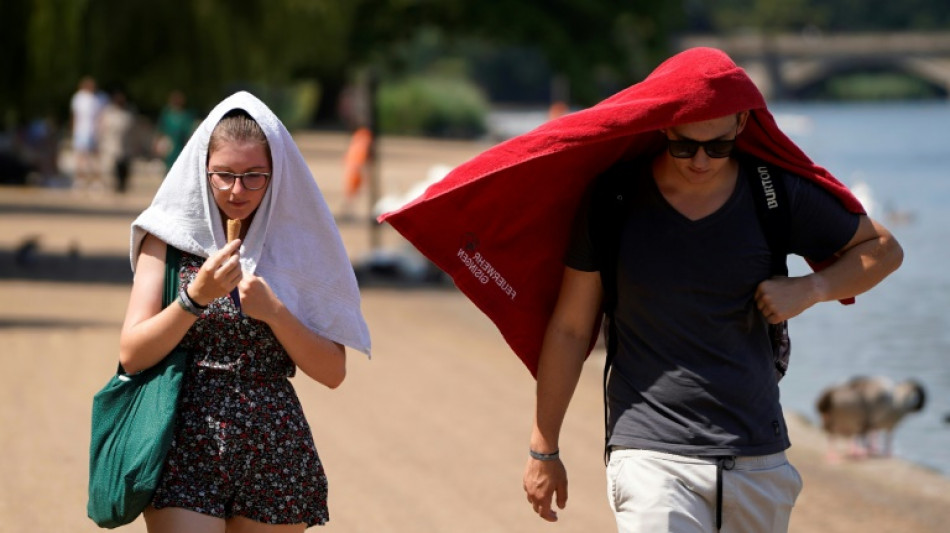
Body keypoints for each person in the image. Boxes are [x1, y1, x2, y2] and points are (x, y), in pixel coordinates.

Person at [521, 50, 904, 531]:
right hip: (650, 455)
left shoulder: (774, 194)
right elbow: (571, 329)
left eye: (718, 146)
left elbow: (885, 250)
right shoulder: (614, 199)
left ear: (742, 123)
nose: (701, 160)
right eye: (685, 146)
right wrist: (543, 449)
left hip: (758, 457)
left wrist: (813, 287)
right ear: (664, 125)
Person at [121, 91, 371, 531]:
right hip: (182, 437)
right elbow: (132, 354)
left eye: (254, 176)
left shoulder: (296, 247)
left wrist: (275, 312)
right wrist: (195, 297)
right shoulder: (168, 238)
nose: (237, 190)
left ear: (277, 175)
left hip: (275, 444)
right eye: (224, 175)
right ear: (202, 169)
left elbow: (333, 372)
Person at [70, 76, 104, 190]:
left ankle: (96, 180)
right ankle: (80, 179)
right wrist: (74, 130)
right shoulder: (78, 98)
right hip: (81, 131)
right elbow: (75, 116)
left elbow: (99, 117)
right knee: (81, 157)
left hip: (93, 132)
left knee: (94, 158)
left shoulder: (96, 99)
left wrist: (99, 131)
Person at [98, 88, 135, 193]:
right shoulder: (108, 112)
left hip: (125, 144)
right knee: (111, 166)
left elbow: (132, 130)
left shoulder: (128, 113)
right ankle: (112, 185)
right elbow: (103, 127)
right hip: (111, 143)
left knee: (124, 166)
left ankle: (122, 186)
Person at [154, 89, 196, 172]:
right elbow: (160, 131)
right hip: (168, 148)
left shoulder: (186, 116)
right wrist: (157, 144)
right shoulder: (166, 114)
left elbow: (188, 134)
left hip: (180, 147)